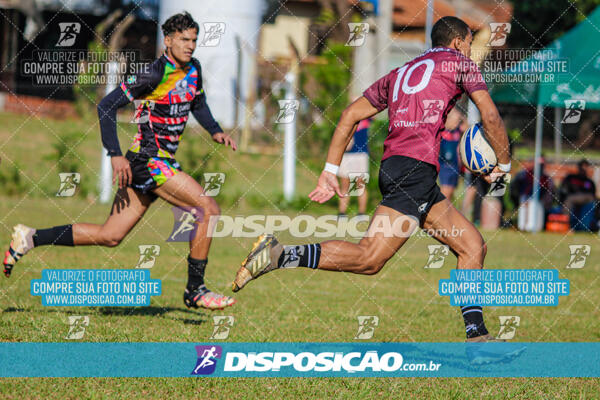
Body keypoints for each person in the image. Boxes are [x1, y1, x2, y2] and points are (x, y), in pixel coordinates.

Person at [233, 17, 512, 346]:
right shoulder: (460, 64)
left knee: (471, 245)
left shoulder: (403, 71)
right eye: (468, 44)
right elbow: (491, 116)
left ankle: (476, 336)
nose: (470, 51)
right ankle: (280, 254)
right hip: (414, 170)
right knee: (369, 258)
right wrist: (504, 163)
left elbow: (351, 113)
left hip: (399, 166)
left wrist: (329, 168)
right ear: (457, 44)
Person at [3, 12, 237, 310]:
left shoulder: (194, 69)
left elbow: (198, 102)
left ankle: (30, 237)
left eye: (194, 40)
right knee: (207, 208)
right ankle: (195, 289)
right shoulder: (153, 74)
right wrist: (114, 155)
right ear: (168, 40)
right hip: (147, 161)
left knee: (110, 235)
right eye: (184, 40)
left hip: (161, 162)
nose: (190, 46)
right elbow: (106, 105)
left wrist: (215, 131)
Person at [338, 118, 371, 216]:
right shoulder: (345, 116)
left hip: (360, 155)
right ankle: (342, 213)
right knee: (345, 185)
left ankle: (361, 213)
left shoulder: (366, 117)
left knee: (359, 185)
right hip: (346, 155)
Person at [559, 159, 597, 231]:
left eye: (586, 167)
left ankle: (566, 225)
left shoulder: (589, 181)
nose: (583, 169)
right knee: (569, 200)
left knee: (570, 199)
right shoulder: (571, 177)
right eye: (582, 167)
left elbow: (592, 196)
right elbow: (563, 190)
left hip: (586, 199)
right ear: (578, 167)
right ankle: (566, 224)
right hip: (571, 199)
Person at [438, 108, 467, 201]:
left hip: (455, 166)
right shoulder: (442, 130)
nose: (456, 123)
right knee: (445, 193)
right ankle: (441, 213)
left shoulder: (457, 131)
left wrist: (461, 117)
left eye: (458, 121)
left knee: (450, 194)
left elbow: (467, 127)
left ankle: (446, 212)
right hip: (445, 165)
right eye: (455, 121)